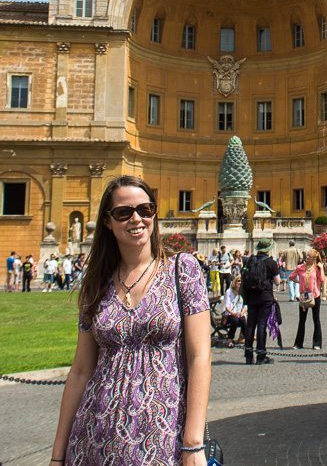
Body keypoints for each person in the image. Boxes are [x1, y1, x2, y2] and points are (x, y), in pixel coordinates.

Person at [51, 175, 210, 465]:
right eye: (124, 212)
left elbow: (199, 356)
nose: (136, 219)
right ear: (108, 222)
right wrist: (57, 456)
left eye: (145, 210)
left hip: (162, 439)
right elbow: (80, 371)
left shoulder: (182, 269)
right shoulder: (96, 283)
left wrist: (193, 443)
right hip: (93, 437)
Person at [241, 239, 281, 365]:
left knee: (251, 324)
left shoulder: (250, 260)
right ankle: (261, 355)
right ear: (268, 249)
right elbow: (277, 281)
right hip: (265, 297)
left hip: (251, 297)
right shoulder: (271, 262)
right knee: (261, 324)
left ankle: (248, 355)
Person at [289, 248, 326, 349]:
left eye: (309, 256)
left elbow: (322, 279)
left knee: (316, 319)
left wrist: (321, 268)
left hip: (315, 296)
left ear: (314, 258)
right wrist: (299, 282)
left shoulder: (317, 268)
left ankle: (317, 343)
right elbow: (291, 277)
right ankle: (298, 343)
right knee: (302, 320)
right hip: (304, 296)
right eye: (307, 255)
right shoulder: (300, 267)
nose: (307, 257)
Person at [222, 276, 247, 348]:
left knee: (243, 319)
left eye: (241, 281)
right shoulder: (229, 291)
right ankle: (230, 339)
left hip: (240, 313)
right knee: (235, 320)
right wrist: (234, 313)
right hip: (230, 314)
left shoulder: (244, 292)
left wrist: (242, 312)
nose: (240, 282)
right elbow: (227, 307)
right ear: (235, 282)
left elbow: (245, 305)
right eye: (238, 281)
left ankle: (247, 339)